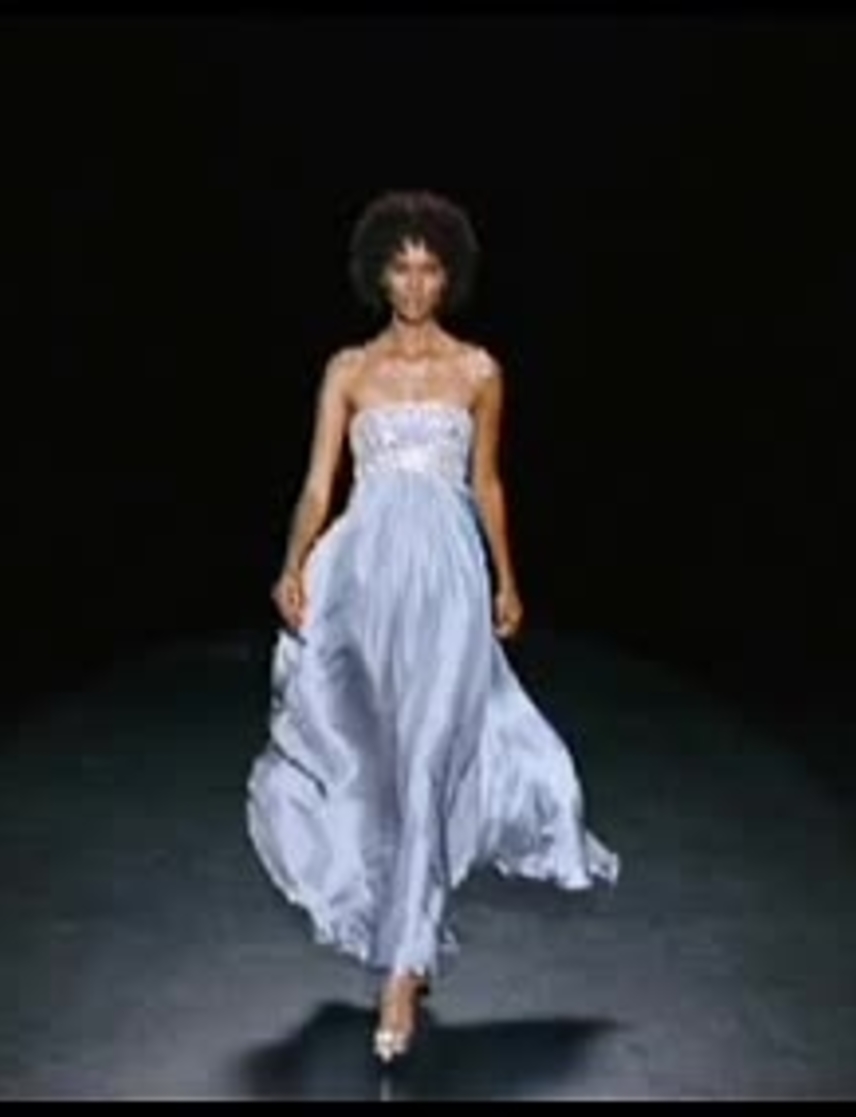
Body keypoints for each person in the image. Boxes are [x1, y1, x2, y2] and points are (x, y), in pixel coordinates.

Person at [246, 190, 619, 1066]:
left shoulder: (478, 370)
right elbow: (317, 484)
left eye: (430, 268)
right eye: (401, 267)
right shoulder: (348, 369)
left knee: (428, 762)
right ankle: (406, 931)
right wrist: (293, 563)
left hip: (448, 575)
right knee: (377, 766)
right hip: (363, 575)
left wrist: (508, 578)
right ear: (377, 274)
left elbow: (487, 481)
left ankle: (401, 974)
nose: (415, 283)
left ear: (450, 276)